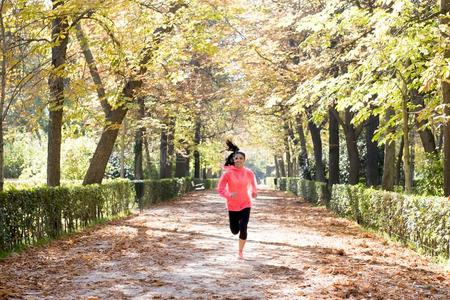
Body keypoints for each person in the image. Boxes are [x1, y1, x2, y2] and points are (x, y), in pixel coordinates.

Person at [217, 140, 257, 259]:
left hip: (246, 203)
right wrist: (229, 195)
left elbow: (253, 184)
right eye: (236, 158)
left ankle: (240, 251)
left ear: (244, 160)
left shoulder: (248, 172)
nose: (238, 160)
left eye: (241, 158)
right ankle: (237, 229)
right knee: (234, 231)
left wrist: (254, 191)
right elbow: (220, 189)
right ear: (233, 160)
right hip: (232, 205)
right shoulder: (227, 174)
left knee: (244, 226)